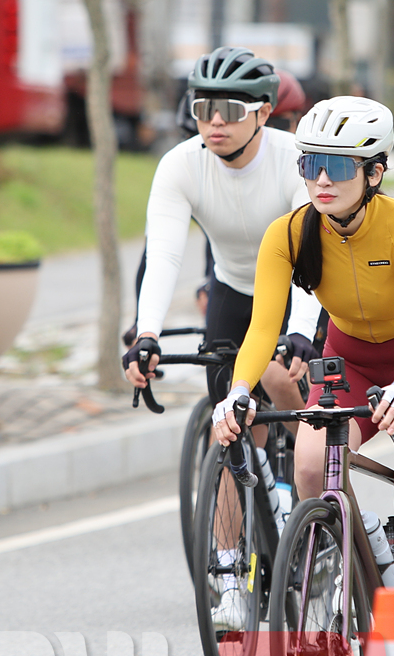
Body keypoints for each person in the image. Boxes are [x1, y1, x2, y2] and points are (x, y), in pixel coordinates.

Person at [212, 96, 394, 656]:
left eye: (336, 165)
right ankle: (363, 562)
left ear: (375, 172)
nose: (321, 180)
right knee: (311, 468)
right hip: (350, 360)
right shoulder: (288, 234)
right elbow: (261, 329)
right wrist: (239, 392)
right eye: (310, 165)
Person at [125, 47, 311, 410]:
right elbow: (163, 255)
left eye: (230, 110)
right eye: (204, 109)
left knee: (278, 380)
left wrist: (301, 329)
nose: (215, 122)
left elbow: (310, 254)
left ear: (264, 113)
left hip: (296, 288)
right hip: (231, 287)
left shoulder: (296, 160)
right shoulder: (179, 165)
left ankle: (302, 446)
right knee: (227, 406)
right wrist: (147, 333)